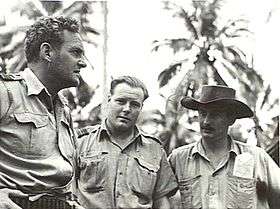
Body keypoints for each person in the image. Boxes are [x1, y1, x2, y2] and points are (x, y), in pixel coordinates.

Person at [0, 16, 87, 209]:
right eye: (76, 52)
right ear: (47, 52)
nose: (83, 63)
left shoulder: (63, 110)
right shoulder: (6, 92)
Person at [168, 85, 280, 209]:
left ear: (231, 119)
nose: (206, 121)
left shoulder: (257, 158)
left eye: (215, 115)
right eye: (203, 113)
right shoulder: (178, 159)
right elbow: (158, 198)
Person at [75, 76, 178, 209]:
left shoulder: (155, 150)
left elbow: (161, 201)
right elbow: (66, 191)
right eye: (121, 101)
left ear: (141, 108)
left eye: (134, 104)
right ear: (108, 100)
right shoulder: (81, 142)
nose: (127, 109)